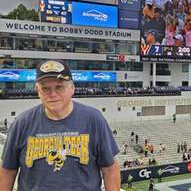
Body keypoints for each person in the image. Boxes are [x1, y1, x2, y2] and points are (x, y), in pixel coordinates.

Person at [0, 60, 120, 191]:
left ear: (72, 88)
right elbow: (7, 170)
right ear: (37, 90)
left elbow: (110, 169)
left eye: (59, 87)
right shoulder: (21, 123)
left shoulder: (94, 120)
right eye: (45, 88)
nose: (52, 94)